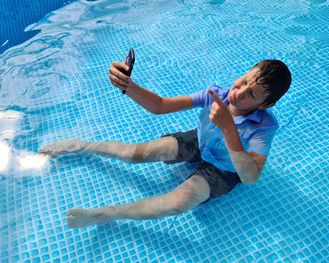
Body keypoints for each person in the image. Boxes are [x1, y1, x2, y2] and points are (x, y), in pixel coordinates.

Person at [39, 59, 291, 228]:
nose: (239, 92)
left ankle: (108, 214)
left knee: (178, 202)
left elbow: (250, 177)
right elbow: (159, 106)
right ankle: (83, 146)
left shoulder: (264, 126)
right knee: (136, 154)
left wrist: (228, 129)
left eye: (252, 94)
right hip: (198, 141)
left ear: (266, 104)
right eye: (244, 81)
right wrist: (128, 86)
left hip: (225, 170)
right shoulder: (216, 94)